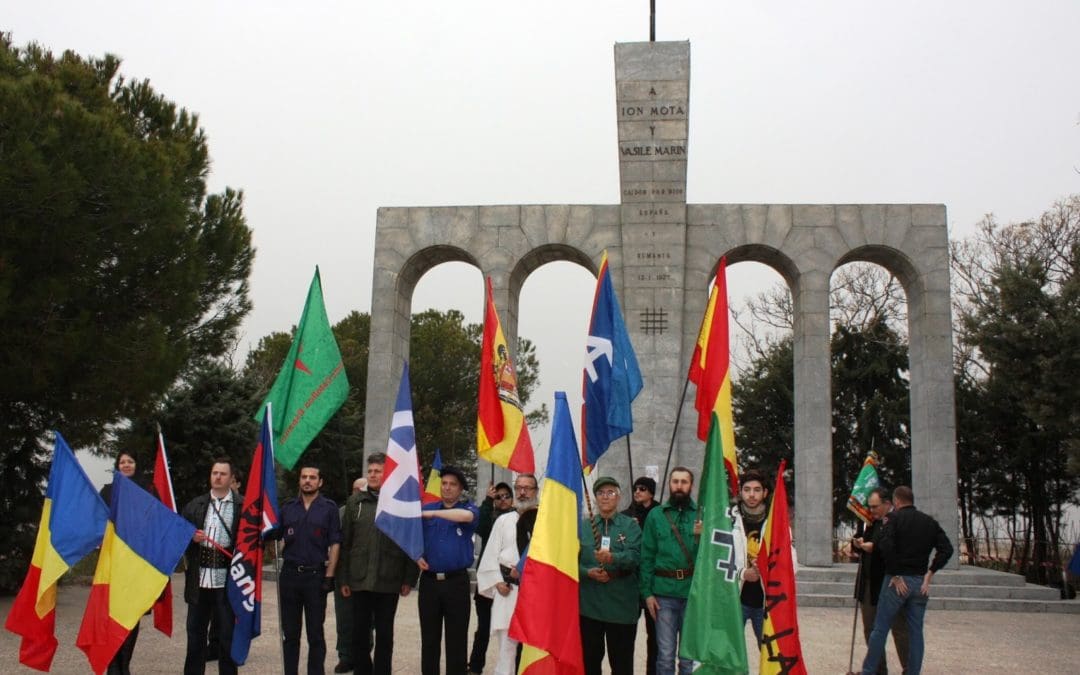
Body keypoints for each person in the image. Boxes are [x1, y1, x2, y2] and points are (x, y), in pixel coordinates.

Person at [860, 485, 954, 675]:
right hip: (919, 582)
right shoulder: (929, 522)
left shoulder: (892, 519)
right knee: (915, 634)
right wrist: (930, 573)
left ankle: (869, 671)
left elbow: (885, 545)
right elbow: (947, 549)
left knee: (879, 629)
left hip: (897, 582)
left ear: (896, 501)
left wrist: (895, 573)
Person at [338, 455, 419, 675]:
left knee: (385, 635)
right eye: (370, 471)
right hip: (359, 578)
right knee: (359, 634)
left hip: (388, 579)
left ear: (388, 473)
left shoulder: (399, 502)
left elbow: (409, 540)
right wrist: (344, 578)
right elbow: (346, 542)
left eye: (378, 471)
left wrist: (409, 578)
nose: (373, 474)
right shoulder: (356, 502)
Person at [271, 465, 342, 675]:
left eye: (312, 477)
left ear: (320, 482)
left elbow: (335, 543)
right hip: (290, 576)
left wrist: (329, 576)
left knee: (315, 634)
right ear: (299, 481)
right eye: (304, 477)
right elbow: (275, 535)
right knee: (290, 634)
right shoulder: (287, 508)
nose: (307, 481)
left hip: (315, 577)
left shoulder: (329, 508)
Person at [182, 459, 242, 675]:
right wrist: (191, 538)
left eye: (223, 474)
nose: (218, 477)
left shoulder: (242, 506)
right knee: (195, 635)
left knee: (227, 636)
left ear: (231, 478)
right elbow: (178, 539)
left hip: (227, 581)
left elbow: (250, 543)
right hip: (200, 580)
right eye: (214, 473)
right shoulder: (194, 505)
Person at [417, 465, 479, 675]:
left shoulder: (468, 509)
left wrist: (435, 513)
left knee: (456, 640)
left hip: (456, 583)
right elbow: (412, 537)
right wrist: (416, 556)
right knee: (429, 640)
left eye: (453, 484)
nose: (447, 488)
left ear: (461, 488)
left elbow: (467, 518)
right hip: (429, 582)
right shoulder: (427, 509)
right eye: (444, 483)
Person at [639, 467, 700, 675]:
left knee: (688, 658)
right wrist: (647, 593)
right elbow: (646, 556)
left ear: (691, 485)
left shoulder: (702, 514)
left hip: (692, 594)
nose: (679, 486)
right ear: (669, 485)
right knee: (664, 655)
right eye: (675, 481)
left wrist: (701, 536)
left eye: (684, 481)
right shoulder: (656, 515)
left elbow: (709, 557)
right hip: (663, 595)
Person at [476, 474, 538, 675]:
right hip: (508, 589)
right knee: (506, 646)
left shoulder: (545, 521)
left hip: (535, 591)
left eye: (527, 488)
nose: (522, 492)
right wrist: (497, 583)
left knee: (534, 646)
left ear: (535, 491)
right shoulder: (503, 520)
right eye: (519, 487)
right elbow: (490, 555)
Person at [579, 477, 641, 675]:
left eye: (610, 492)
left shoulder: (630, 526)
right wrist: (586, 572)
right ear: (595, 498)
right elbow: (570, 560)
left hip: (621, 607)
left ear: (619, 497)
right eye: (600, 493)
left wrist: (613, 558)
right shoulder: (584, 527)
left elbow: (635, 557)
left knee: (621, 665)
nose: (605, 497)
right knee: (590, 662)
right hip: (590, 607)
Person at [98, 452, 146, 675]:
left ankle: (124, 664)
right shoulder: (108, 491)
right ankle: (112, 664)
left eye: (130, 461)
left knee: (131, 615)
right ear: (117, 466)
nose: (126, 465)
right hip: (112, 563)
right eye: (122, 462)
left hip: (136, 563)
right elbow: (98, 519)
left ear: (137, 465)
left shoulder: (148, 491)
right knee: (111, 614)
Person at [852, 488, 909, 675]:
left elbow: (898, 549)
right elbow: (864, 546)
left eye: (875, 506)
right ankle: (878, 670)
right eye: (870, 506)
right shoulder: (870, 522)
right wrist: (858, 543)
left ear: (888, 504)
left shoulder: (899, 521)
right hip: (868, 583)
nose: (872, 509)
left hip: (891, 582)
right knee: (870, 629)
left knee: (899, 629)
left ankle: (909, 669)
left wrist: (874, 548)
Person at [469, 481, 514, 675]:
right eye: (498, 496)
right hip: (489, 580)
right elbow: (479, 525)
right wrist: (487, 501)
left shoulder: (519, 518)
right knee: (484, 628)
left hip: (510, 583)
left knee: (511, 631)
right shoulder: (491, 518)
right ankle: (476, 666)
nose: (503, 500)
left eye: (506, 496)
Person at [623, 476, 659, 675]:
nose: (637, 492)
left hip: (653, 583)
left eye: (643, 488)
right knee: (626, 635)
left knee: (655, 637)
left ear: (651, 493)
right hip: (630, 584)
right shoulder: (626, 516)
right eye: (636, 488)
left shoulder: (661, 514)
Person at [333, 476, 368, 674]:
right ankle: (345, 656)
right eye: (356, 490)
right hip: (344, 573)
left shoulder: (374, 510)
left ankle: (363, 655)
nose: (358, 494)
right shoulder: (342, 513)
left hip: (366, 575)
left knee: (365, 619)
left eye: (362, 491)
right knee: (345, 618)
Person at [737, 469, 769, 647]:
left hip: (765, 602)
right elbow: (716, 561)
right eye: (747, 489)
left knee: (770, 655)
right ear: (741, 492)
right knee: (730, 654)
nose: (751, 494)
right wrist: (742, 573)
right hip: (736, 600)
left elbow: (790, 562)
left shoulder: (775, 521)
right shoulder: (729, 521)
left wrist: (766, 568)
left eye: (757, 490)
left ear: (764, 493)